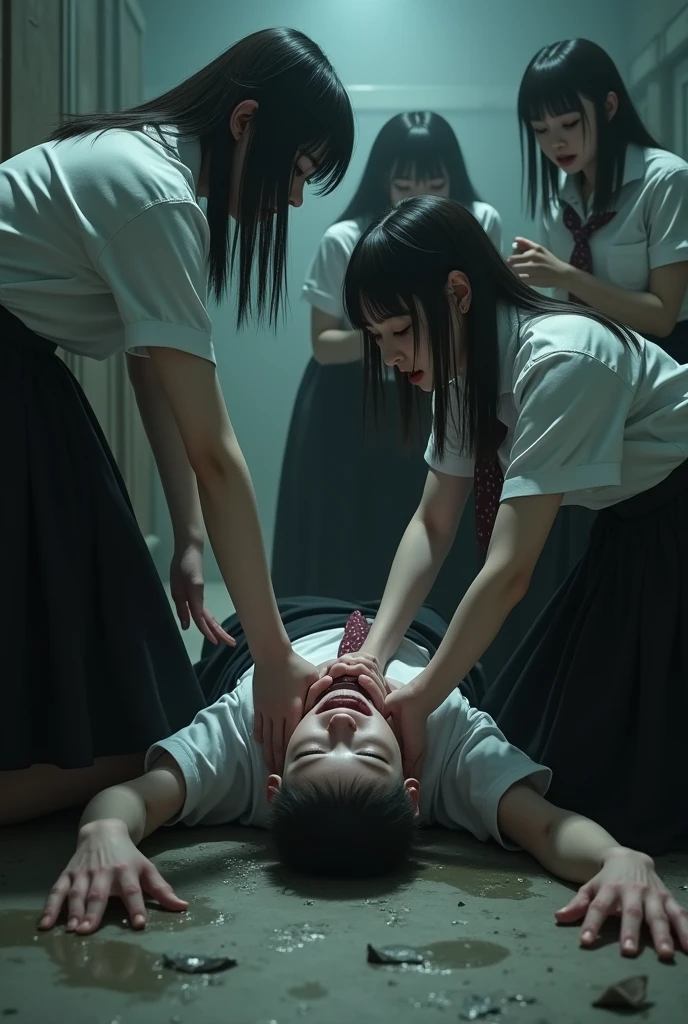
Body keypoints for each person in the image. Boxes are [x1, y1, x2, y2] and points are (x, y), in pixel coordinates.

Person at [0, 28, 354, 803]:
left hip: (27, 375)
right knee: (143, 734)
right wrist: (271, 653)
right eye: (295, 170)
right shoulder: (155, 192)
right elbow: (217, 452)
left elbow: (148, 367)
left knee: (140, 712)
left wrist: (188, 538)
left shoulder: (150, 166)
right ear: (244, 122)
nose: (294, 199)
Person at [22, 600, 688, 962]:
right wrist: (617, 857)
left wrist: (106, 829)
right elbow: (547, 826)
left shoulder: (244, 744)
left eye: (316, 749)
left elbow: (135, 798)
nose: (342, 723)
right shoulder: (452, 747)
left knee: (217, 651)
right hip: (423, 635)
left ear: (275, 782)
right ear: (412, 789)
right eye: (370, 752)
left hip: (297, 619)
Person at [335, 193, 688, 857]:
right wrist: (372, 656)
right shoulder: (464, 370)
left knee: (618, 788)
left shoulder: (561, 360)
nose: (390, 357)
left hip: (675, 521)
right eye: (377, 339)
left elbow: (510, 571)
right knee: (537, 749)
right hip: (629, 529)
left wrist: (420, 697)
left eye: (400, 332)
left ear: (458, 293)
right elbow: (434, 523)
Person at [272, 112, 500, 616]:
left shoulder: (477, 223)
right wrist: (394, 334)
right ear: (382, 179)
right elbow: (323, 343)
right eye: (403, 181)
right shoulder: (346, 237)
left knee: (445, 525)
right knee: (352, 536)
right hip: (355, 401)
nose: (418, 193)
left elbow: (485, 319)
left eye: (435, 181)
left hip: (448, 386)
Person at [509, 39, 688, 363]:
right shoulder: (556, 198)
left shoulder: (665, 180)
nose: (556, 142)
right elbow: (565, 308)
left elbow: (663, 318)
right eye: (540, 129)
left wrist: (564, 275)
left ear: (608, 107)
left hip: (663, 368)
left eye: (569, 123)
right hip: (588, 364)